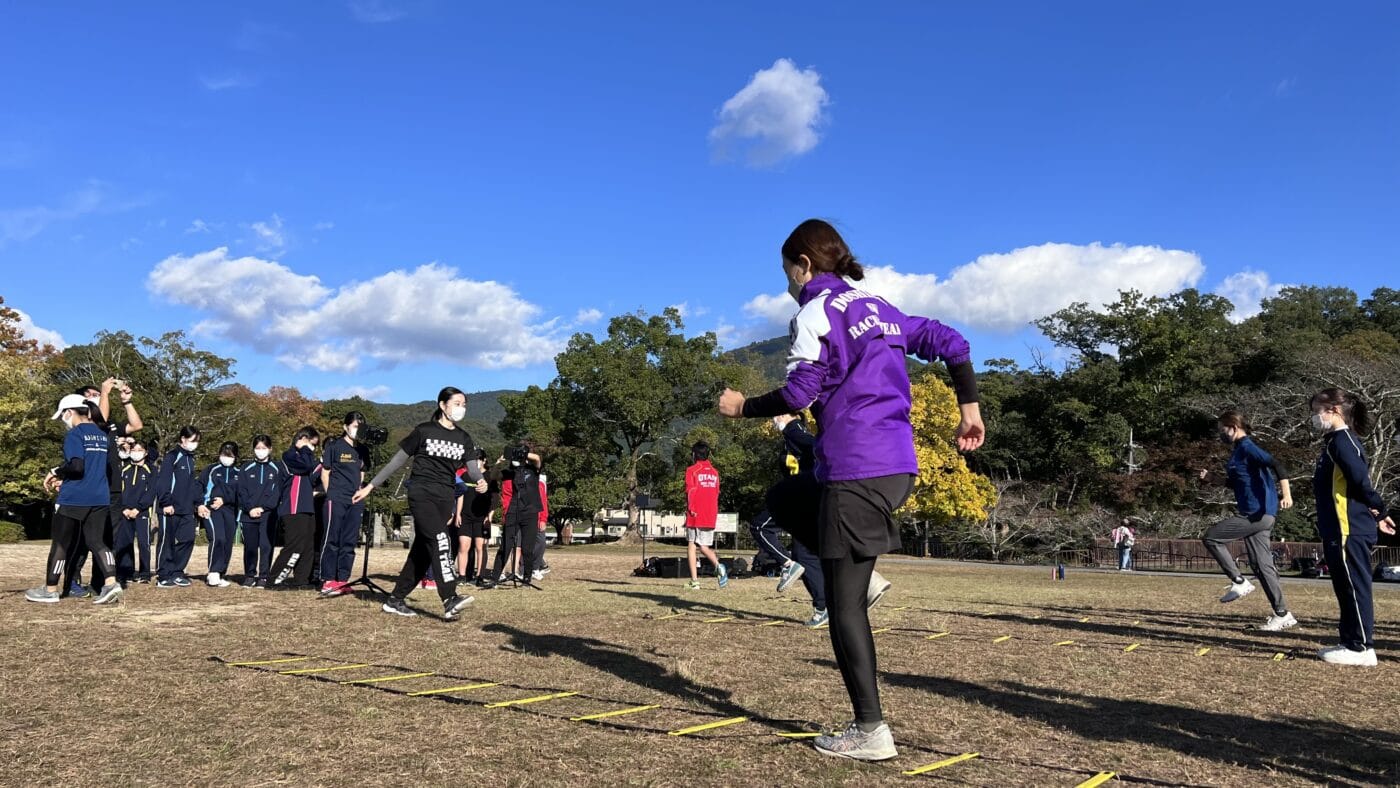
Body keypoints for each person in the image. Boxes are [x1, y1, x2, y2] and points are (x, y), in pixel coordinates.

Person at [719, 219, 983, 761]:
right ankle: (865, 576)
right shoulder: (878, 308)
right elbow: (950, 341)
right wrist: (969, 409)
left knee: (843, 610)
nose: (787, 283)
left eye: (786, 272)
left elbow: (798, 391)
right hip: (895, 468)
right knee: (785, 499)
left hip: (857, 470)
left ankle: (870, 730)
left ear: (804, 265)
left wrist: (742, 407)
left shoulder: (813, 313)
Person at [353, 387, 484, 619]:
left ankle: (395, 600)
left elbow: (473, 467)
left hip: (445, 497)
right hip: (422, 493)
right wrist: (371, 485)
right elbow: (397, 460)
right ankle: (449, 597)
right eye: (456, 403)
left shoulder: (463, 437)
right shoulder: (424, 431)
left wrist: (480, 480)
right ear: (443, 405)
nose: (461, 408)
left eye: (464, 405)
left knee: (422, 553)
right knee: (440, 539)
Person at [1309, 388, 1396, 667]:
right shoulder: (1335, 442)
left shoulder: (1342, 442)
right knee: (1344, 587)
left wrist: (1379, 509)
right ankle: (1349, 641)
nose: (1314, 417)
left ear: (1334, 410)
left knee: (1354, 586)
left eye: (1317, 411)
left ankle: (1361, 647)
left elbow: (1360, 481)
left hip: (1348, 528)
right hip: (1338, 528)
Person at [1198, 411, 1296, 631]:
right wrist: (1213, 478)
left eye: (1221, 429)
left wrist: (1287, 495)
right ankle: (1283, 614)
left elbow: (1278, 465)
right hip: (1260, 516)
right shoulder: (1237, 453)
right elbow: (1238, 484)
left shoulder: (1247, 447)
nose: (1220, 434)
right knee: (1262, 567)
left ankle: (1239, 582)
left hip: (1256, 514)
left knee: (1212, 538)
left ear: (1233, 426)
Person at [26, 394, 124, 605]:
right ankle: (111, 583)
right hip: (100, 496)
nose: (63, 420)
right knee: (98, 541)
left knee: (61, 544)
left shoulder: (75, 435)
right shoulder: (102, 434)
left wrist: (56, 471)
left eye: (62, 415)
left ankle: (50, 590)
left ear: (69, 412)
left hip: (74, 497)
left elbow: (77, 467)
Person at [67, 378, 143, 596]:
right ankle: (71, 581)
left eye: (97, 393)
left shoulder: (109, 425)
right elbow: (102, 416)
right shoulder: (83, 427)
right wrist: (105, 391)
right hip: (89, 488)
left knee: (107, 538)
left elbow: (136, 426)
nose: (98, 396)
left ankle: (99, 582)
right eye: (91, 395)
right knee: (81, 538)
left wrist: (127, 402)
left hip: (112, 489)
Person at [753, 413, 829, 627]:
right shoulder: (790, 437)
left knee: (759, 526)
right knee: (806, 556)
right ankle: (822, 608)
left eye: (779, 413)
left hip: (801, 498)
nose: (774, 417)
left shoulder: (795, 430)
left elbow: (818, 448)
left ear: (794, 416)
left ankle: (786, 564)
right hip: (806, 499)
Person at [319, 412, 371, 597]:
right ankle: (328, 579)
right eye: (355, 426)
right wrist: (330, 493)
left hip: (355, 500)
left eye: (360, 427)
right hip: (336, 498)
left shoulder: (363, 450)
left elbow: (362, 471)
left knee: (349, 540)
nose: (357, 430)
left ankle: (342, 579)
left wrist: (360, 489)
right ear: (346, 427)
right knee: (332, 538)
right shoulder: (334, 447)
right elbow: (325, 472)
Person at [483, 443, 545, 588]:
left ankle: (527, 578)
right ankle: (495, 578)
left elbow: (537, 458)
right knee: (506, 545)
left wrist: (520, 452)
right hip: (514, 510)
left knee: (527, 548)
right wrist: (500, 462)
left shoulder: (532, 469)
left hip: (530, 512)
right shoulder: (510, 472)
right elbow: (493, 476)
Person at [268, 427, 323, 590]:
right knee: (295, 544)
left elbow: (313, 473)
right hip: (293, 506)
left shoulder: (307, 456)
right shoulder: (289, 455)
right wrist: (305, 448)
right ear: (303, 438)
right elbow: (305, 467)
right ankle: (274, 579)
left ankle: (301, 579)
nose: (312, 448)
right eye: (312, 444)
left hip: (307, 506)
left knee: (307, 544)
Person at [155, 426, 204, 588]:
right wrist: (166, 502)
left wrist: (198, 503)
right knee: (166, 542)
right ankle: (163, 574)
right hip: (169, 508)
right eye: (192, 440)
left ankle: (177, 571)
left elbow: (192, 485)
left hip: (186, 508)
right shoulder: (172, 456)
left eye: (197, 441)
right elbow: (164, 481)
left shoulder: (190, 459)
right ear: (183, 439)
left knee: (188, 539)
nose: (194, 444)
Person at [236, 435, 282, 588]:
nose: (260, 451)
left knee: (266, 545)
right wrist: (250, 509)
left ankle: (263, 576)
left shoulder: (277, 469)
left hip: (268, 515)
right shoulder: (246, 468)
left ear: (270, 449)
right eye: (257, 448)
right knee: (250, 546)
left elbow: (277, 492)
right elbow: (241, 491)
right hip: (248, 514)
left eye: (263, 448)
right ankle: (250, 575)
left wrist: (264, 508)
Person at [683, 441, 726, 590]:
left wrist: (691, 508)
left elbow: (691, 490)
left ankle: (698, 579)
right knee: (702, 545)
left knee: (693, 545)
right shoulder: (714, 472)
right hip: (710, 512)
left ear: (694, 454)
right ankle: (715, 568)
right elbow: (716, 492)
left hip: (696, 512)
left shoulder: (692, 470)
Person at [113, 437, 157, 585]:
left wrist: (139, 508)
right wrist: (124, 508)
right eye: (134, 450)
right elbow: (119, 491)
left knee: (144, 543)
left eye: (140, 450)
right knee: (124, 542)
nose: (136, 453)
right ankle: (126, 572)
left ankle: (145, 573)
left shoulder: (151, 469)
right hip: (125, 511)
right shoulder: (124, 468)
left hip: (143, 512)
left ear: (145, 453)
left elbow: (151, 492)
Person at [199, 441, 240, 588]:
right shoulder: (211, 470)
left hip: (230, 511)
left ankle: (222, 572)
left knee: (228, 541)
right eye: (224, 454)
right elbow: (199, 487)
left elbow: (241, 495)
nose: (226, 457)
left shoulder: (239, 474)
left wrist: (226, 499)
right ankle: (213, 571)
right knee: (218, 537)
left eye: (230, 455)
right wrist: (200, 504)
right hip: (212, 509)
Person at [456, 449, 496, 586]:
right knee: (463, 546)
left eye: (479, 459)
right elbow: (460, 495)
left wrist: (489, 517)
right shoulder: (465, 476)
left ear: (484, 460)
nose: (477, 462)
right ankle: (461, 576)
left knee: (481, 547)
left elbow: (494, 500)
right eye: (474, 459)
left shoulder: (490, 477)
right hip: (466, 517)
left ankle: (480, 576)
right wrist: (458, 514)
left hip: (482, 518)